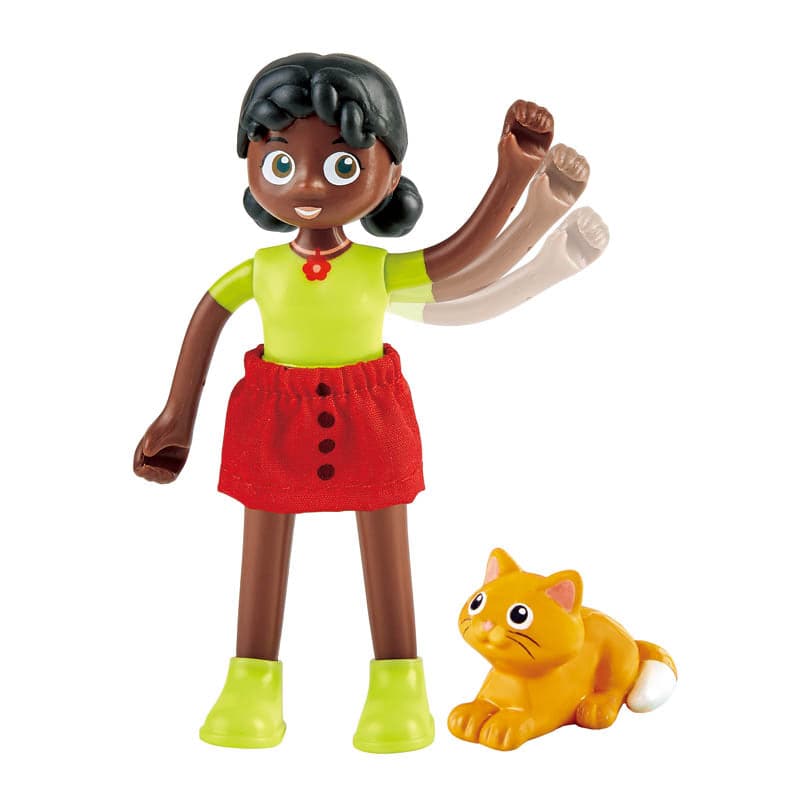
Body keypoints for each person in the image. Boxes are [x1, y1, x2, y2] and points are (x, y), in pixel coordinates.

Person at [133, 52, 593, 753]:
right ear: (251, 164)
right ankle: (251, 683)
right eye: (281, 161)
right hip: (271, 416)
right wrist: (176, 419)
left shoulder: (376, 268)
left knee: (385, 546)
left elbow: (463, 255)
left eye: (343, 164)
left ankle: (398, 687)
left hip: (370, 414)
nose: (309, 183)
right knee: (263, 545)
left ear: (391, 174)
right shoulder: (261, 269)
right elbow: (205, 325)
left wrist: (513, 173)